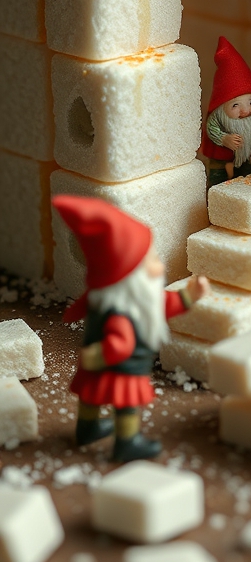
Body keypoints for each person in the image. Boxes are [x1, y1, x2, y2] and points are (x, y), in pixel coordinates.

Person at [53, 195, 210, 462]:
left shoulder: (135, 302)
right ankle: (127, 442)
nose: (159, 263)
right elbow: (120, 343)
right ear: (129, 275)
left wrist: (188, 296)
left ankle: (87, 428)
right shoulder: (122, 313)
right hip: (121, 370)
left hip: (101, 366)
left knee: (92, 394)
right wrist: (102, 355)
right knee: (126, 406)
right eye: (152, 258)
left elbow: (163, 303)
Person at [202, 36, 251, 188]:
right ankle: (217, 178)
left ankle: (242, 167)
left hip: (243, 151)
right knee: (218, 173)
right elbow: (212, 129)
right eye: (235, 105)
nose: (245, 111)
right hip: (220, 151)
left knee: (245, 165)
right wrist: (224, 139)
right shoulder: (216, 118)